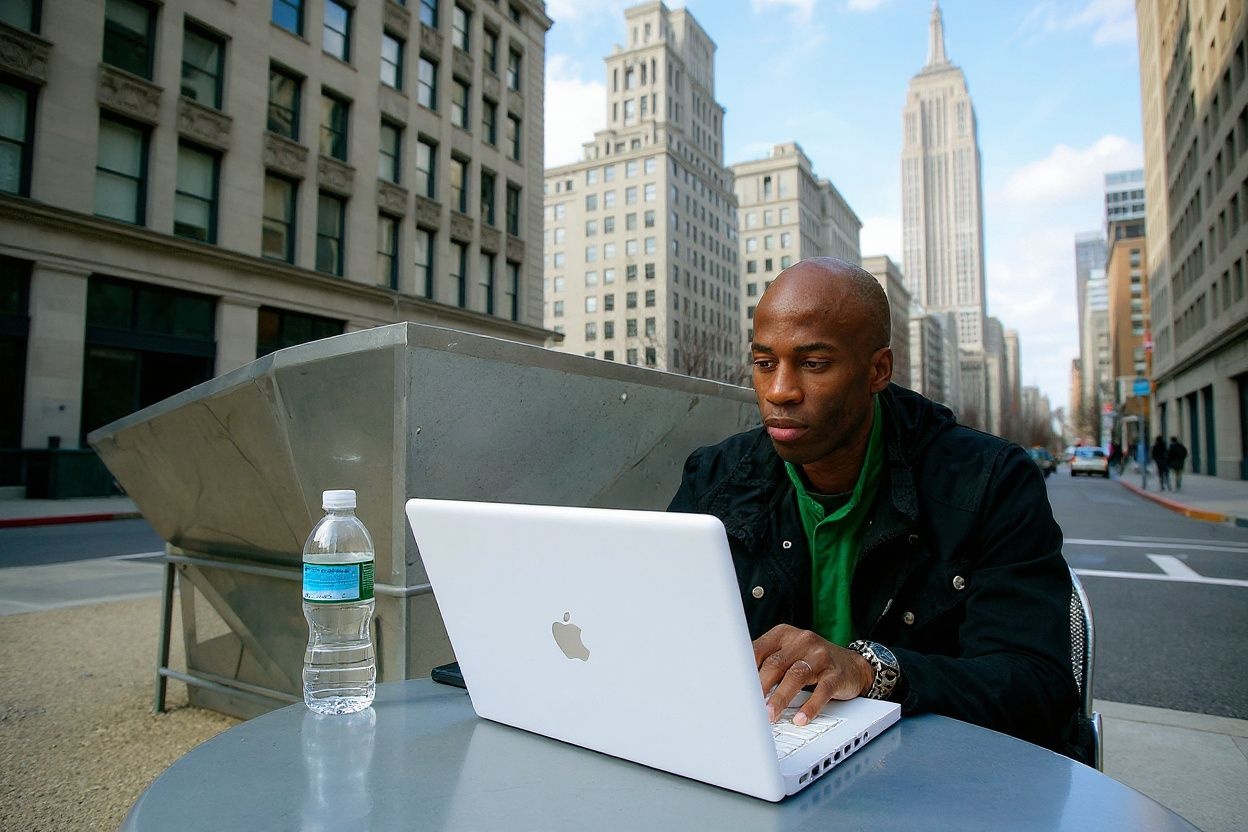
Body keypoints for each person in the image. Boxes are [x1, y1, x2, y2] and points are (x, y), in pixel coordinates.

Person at [668, 257, 1083, 763]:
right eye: (764, 363)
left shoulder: (990, 480)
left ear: (878, 369)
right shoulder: (715, 478)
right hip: (765, 758)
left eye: (814, 363)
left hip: (938, 775)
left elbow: (1038, 688)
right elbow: (659, 635)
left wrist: (869, 670)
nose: (780, 391)